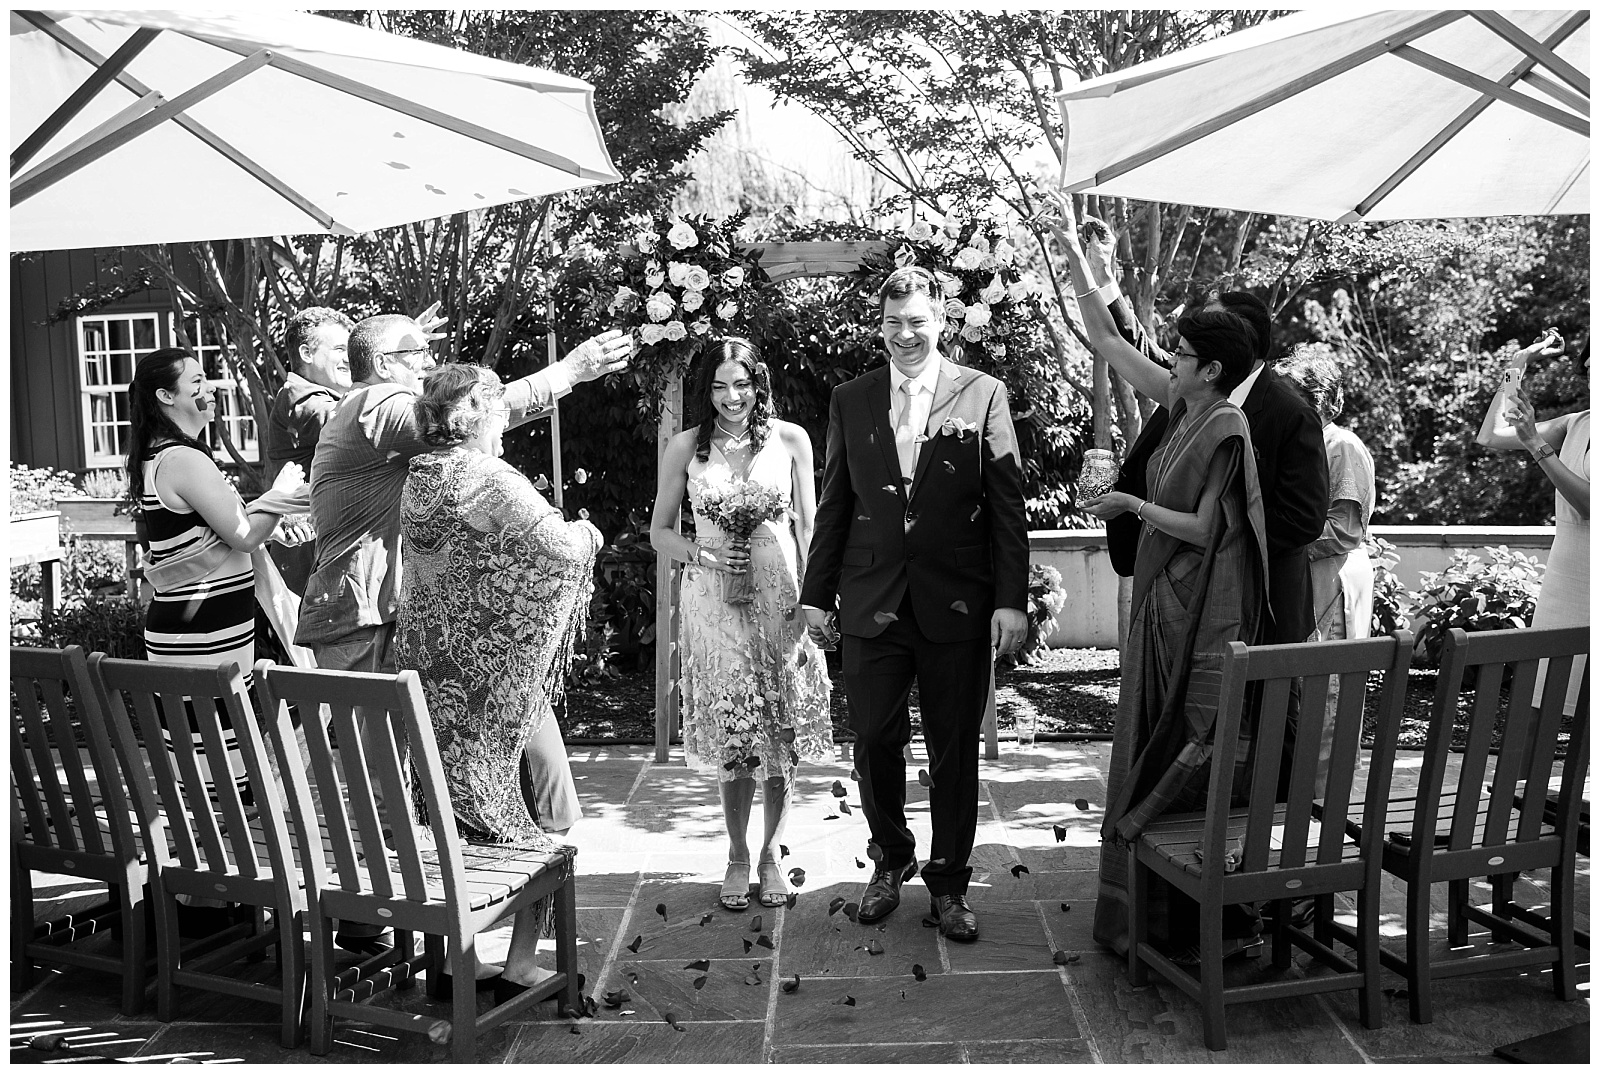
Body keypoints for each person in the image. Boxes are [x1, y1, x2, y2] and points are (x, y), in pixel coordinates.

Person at [294, 313, 632, 952]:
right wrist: (571, 371)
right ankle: (381, 921)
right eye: (416, 352)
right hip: (360, 621)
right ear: (385, 363)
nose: (427, 362)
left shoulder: (416, 450)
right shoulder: (377, 407)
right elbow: (469, 411)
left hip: (402, 623)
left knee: (427, 772)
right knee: (381, 777)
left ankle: (460, 906)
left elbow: (468, 424)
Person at [800, 266, 1030, 943]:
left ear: (941, 324)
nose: (906, 334)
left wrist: (1010, 601)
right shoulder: (851, 398)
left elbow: (1007, 507)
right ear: (880, 326)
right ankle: (891, 859)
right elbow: (837, 499)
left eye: (918, 323)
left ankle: (951, 883)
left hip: (956, 603)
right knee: (874, 740)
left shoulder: (984, 394)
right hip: (871, 598)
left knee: (956, 749)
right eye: (894, 323)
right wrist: (817, 594)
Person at [1071, 293, 1270, 964]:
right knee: (1146, 734)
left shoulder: (1225, 425)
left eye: (1181, 355)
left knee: (1190, 745)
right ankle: (1146, 917)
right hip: (1164, 599)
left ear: (1209, 369)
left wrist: (1127, 504)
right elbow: (1114, 344)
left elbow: (1205, 528)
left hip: (1202, 613)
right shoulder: (1186, 409)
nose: (1171, 361)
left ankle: (1193, 922)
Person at [395, 363, 598, 999]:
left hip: (432, 681)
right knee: (551, 806)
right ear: (476, 415)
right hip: (496, 683)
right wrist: (587, 534)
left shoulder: (420, 478)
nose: (507, 422)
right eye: (500, 410)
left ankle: (456, 961)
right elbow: (559, 551)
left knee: (454, 814)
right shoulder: (490, 478)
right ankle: (519, 962)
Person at [1061, 204, 1327, 647]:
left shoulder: (1290, 414)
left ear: (1223, 352)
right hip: (1177, 589)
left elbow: (1302, 521)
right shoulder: (1184, 389)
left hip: (1260, 604)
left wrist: (1205, 540)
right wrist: (1084, 260)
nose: (1175, 354)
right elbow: (1115, 339)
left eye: (1201, 332)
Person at [649, 339, 834, 912]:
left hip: (781, 600)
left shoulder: (791, 440)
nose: (733, 398)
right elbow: (659, 532)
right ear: (706, 392)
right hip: (713, 604)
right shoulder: (686, 448)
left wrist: (815, 601)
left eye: (743, 384)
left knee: (780, 733)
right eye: (720, 387)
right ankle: (735, 855)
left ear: (760, 384)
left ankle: (772, 855)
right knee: (735, 731)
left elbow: (812, 528)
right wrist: (705, 555)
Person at [126, 349, 306, 799]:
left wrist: (272, 527)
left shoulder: (161, 455)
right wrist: (280, 494)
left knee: (204, 759)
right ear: (166, 396)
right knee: (221, 763)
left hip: (193, 624)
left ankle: (210, 851)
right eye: (198, 383)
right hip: (205, 631)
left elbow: (216, 533)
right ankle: (229, 856)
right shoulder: (184, 459)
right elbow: (243, 536)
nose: (210, 391)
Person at [1278, 345, 1377, 791]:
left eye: (1295, 395)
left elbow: (1343, 530)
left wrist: (1270, 540)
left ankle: (1319, 812)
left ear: (1322, 401)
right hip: (1304, 578)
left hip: (1331, 581)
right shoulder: (1296, 442)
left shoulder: (1342, 446)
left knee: (1328, 694)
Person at [1478, 327, 1589, 714]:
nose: (1589, 363)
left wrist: (1536, 445)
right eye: (1588, 356)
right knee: (1539, 696)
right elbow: (1491, 435)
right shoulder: (1577, 424)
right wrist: (1517, 364)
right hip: (1565, 572)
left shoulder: (1560, 433)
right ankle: (1523, 778)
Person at [264, 307, 353, 595]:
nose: (350, 357)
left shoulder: (322, 396)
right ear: (306, 353)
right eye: (340, 348)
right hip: (309, 560)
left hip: (320, 557)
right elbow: (357, 422)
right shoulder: (300, 399)